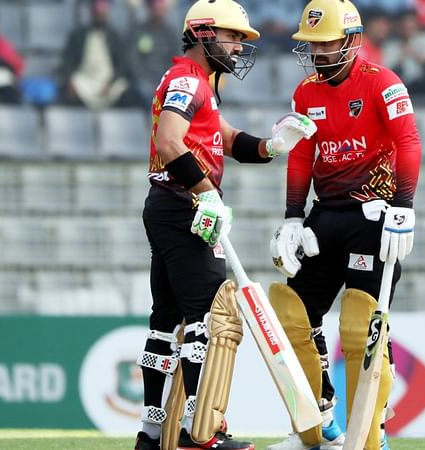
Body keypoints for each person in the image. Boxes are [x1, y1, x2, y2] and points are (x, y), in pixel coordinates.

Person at [133, 1, 316, 450]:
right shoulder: (185, 80)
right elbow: (169, 141)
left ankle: (152, 434)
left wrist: (273, 146)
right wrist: (206, 193)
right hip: (183, 209)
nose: (238, 47)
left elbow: (227, 140)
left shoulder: (201, 85)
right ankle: (201, 433)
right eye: (233, 37)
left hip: (171, 206)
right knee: (210, 319)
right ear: (203, 34)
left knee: (166, 321)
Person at [266, 1, 421, 450]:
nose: (316, 52)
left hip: (375, 218)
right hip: (325, 216)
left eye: (325, 42)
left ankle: (373, 435)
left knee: (363, 323)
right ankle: (322, 421)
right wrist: (294, 215)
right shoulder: (306, 93)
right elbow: (299, 154)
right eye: (310, 44)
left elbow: (407, 142)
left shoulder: (383, 84)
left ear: (352, 41)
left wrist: (405, 205)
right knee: (292, 313)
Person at [58, 0, 140, 109]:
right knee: (69, 93)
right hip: (85, 80)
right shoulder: (78, 35)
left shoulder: (115, 36)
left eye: (102, 13)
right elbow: (67, 61)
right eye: (97, 13)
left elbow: (123, 64)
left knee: (129, 94)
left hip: (109, 82)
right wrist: (70, 81)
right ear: (91, 13)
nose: (99, 15)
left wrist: (111, 82)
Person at [129, 0, 179, 110]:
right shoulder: (139, 31)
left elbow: (176, 61)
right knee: (146, 91)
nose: (158, 10)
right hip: (144, 79)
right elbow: (134, 61)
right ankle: (153, 124)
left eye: (161, 7)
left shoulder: (171, 33)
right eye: (155, 6)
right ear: (149, 8)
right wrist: (144, 78)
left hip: (165, 79)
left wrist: (165, 80)